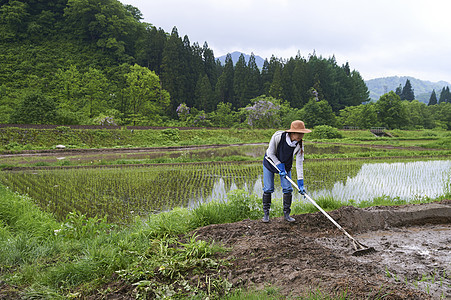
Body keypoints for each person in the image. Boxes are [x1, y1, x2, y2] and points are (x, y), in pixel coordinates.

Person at [262, 120, 311, 222]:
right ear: (292, 132)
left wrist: (300, 182)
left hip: (286, 166)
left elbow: (299, 164)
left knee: (288, 189)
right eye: (299, 133)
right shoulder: (278, 137)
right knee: (268, 188)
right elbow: (270, 153)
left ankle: (286, 215)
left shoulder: (299, 145)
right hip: (270, 162)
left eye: (302, 133)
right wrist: (279, 165)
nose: (301, 136)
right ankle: (266, 214)